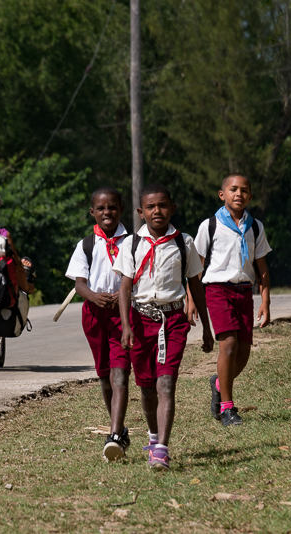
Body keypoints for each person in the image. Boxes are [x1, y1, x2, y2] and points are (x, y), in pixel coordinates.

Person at [114, 184, 214, 470]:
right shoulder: (131, 244)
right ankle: (153, 436)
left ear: (173, 208)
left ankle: (161, 450)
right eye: (150, 207)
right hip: (139, 321)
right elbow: (125, 287)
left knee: (166, 383)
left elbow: (195, 284)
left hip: (173, 321)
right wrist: (126, 326)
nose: (157, 211)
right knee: (147, 388)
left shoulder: (184, 242)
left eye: (163, 205)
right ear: (140, 212)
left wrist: (206, 328)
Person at [187, 173, 272, 427]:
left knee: (243, 354)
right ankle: (227, 408)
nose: (239, 194)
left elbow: (262, 267)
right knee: (229, 345)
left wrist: (265, 301)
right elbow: (196, 266)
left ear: (250, 196)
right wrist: (191, 298)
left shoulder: (255, 227)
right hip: (217, 290)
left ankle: (218, 384)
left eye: (244, 190)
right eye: (233, 189)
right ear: (222, 195)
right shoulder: (210, 225)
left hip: (244, 291)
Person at [65, 187, 131, 461]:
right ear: (92, 212)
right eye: (101, 208)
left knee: (120, 373)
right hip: (94, 315)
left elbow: (139, 276)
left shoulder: (133, 243)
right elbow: (79, 284)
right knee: (104, 376)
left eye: (112, 207)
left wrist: (123, 296)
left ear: (121, 210)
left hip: (123, 314)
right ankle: (120, 428)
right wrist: (94, 296)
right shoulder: (87, 245)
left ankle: (114, 435)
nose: (107, 212)